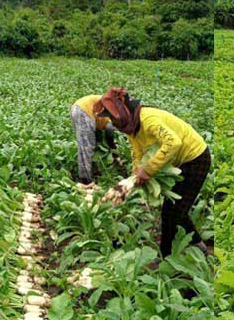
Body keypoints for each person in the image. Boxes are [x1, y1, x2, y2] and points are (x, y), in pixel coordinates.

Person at [94, 87, 210, 257]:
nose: (112, 122)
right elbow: (137, 152)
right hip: (178, 160)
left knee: (171, 213)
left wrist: (147, 170)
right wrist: (135, 174)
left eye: (112, 117)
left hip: (195, 158)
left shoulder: (148, 119)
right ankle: (199, 245)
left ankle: (166, 256)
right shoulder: (131, 126)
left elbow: (173, 143)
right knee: (178, 207)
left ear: (121, 111)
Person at [70, 94, 122, 185]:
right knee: (86, 147)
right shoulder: (115, 114)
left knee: (94, 144)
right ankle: (85, 180)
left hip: (78, 108)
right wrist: (113, 150)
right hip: (84, 111)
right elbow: (109, 131)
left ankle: (94, 171)